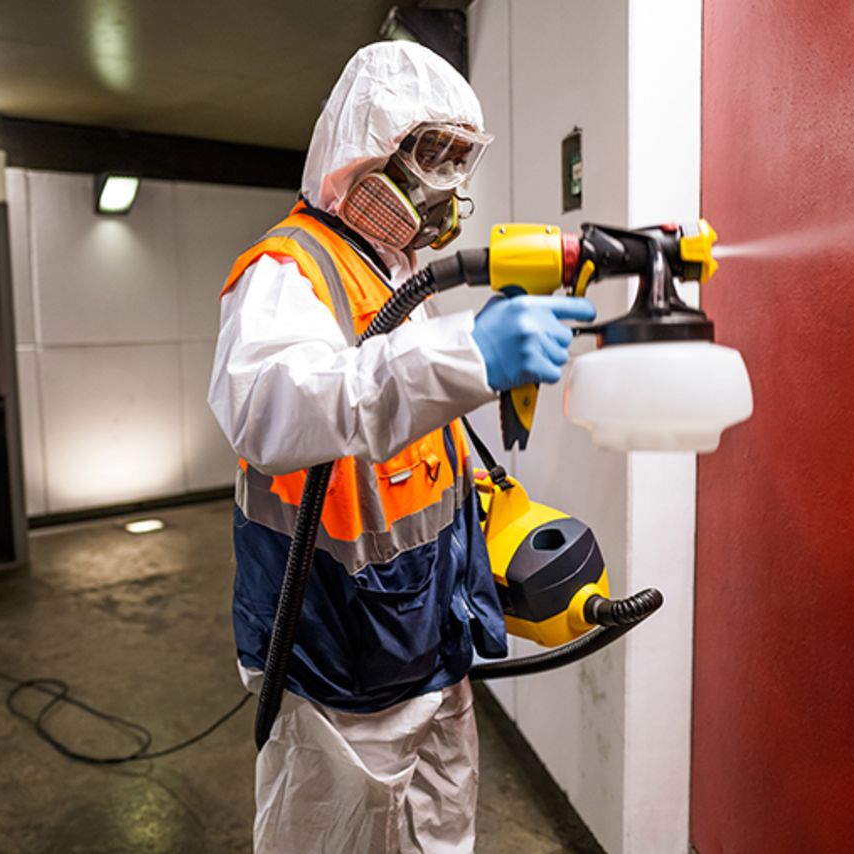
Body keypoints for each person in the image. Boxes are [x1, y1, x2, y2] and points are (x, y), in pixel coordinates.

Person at [209, 42, 595, 853]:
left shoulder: (392, 272)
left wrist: (485, 511)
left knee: (440, 839)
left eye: (461, 158)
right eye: (430, 154)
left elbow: (403, 434)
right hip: (340, 662)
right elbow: (270, 408)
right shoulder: (288, 270)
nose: (445, 184)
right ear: (367, 148)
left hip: (430, 640)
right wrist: (470, 355)